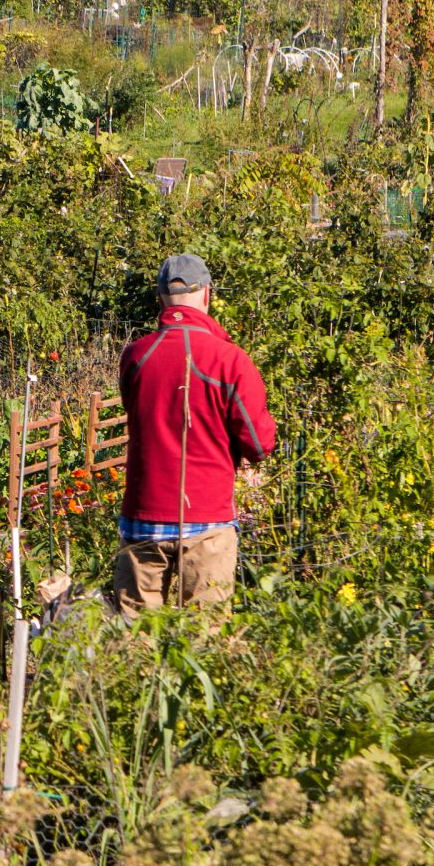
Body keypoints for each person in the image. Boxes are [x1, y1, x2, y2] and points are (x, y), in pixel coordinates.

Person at [108, 253, 275, 612]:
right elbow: (260, 444)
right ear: (207, 294)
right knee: (204, 639)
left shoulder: (136, 356)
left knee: (135, 642)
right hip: (207, 520)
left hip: (143, 516)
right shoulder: (230, 360)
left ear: (160, 298)